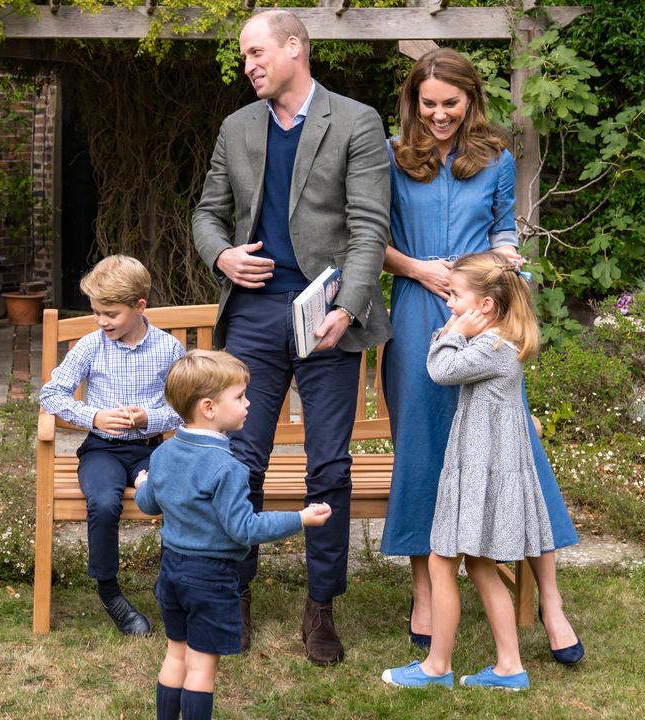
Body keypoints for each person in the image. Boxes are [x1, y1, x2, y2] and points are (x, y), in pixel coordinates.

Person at [191, 9, 391, 664]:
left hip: (326, 317)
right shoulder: (236, 127)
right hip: (252, 316)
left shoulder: (356, 122)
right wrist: (222, 256)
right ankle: (236, 594)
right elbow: (205, 212)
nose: (247, 65)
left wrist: (351, 307)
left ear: (294, 48)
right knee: (239, 463)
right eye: (244, 56)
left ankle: (321, 607)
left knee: (328, 466)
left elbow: (368, 229)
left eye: (255, 52)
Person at [379, 47, 583, 665]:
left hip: (486, 313)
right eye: (429, 104)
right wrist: (420, 269)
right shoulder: (390, 156)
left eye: (451, 104)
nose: (439, 115)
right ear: (414, 101)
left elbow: (503, 228)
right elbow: (371, 238)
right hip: (418, 310)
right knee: (422, 443)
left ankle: (549, 599)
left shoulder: (494, 157)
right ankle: (424, 589)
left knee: (513, 444)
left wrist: (503, 258)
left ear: (471, 101)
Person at [382, 251, 552, 691]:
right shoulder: (499, 343)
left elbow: (439, 370)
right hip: (483, 467)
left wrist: (453, 329)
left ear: (486, 307)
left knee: (441, 563)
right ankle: (509, 667)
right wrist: (459, 326)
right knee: (479, 565)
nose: (450, 304)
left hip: (480, 472)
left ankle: (437, 667)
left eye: (457, 296)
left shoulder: (491, 347)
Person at [135, 349, 333, 720]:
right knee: (202, 666)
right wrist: (300, 518)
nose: (248, 403)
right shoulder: (228, 468)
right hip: (210, 579)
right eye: (240, 397)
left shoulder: (162, 455)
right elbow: (245, 528)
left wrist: (142, 481)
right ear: (209, 408)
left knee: (176, 652)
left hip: (172, 572)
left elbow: (148, 504)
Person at [38, 255, 185, 636]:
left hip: (152, 450)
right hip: (101, 450)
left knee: (174, 496)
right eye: (96, 313)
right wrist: (94, 417)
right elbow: (51, 394)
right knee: (103, 502)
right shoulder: (91, 346)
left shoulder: (168, 349)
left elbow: (184, 408)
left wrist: (147, 418)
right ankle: (110, 592)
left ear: (139, 306)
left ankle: (170, 585)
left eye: (110, 314)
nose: (102, 321)